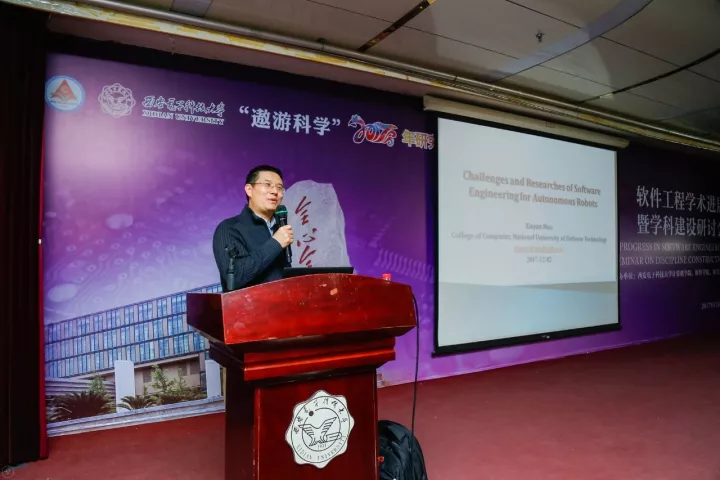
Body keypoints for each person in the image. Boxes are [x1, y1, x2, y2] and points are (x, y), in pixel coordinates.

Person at [212, 165, 294, 292]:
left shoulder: (280, 229)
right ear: (249, 190)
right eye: (267, 185)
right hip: (248, 305)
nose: (275, 191)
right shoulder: (229, 228)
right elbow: (236, 277)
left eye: (279, 187)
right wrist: (275, 243)